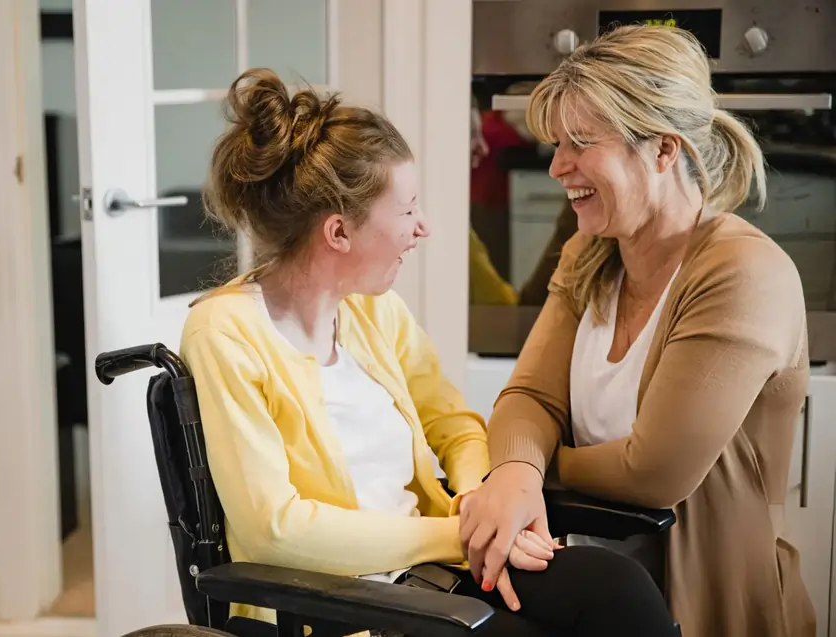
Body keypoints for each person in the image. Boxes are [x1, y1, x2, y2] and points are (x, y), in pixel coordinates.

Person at [179, 67, 679, 637]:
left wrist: (478, 500)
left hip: (430, 576)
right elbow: (276, 529)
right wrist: (460, 533)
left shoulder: (371, 310)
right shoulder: (226, 333)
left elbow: (456, 426)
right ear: (339, 233)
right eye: (407, 208)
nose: (423, 228)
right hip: (331, 607)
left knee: (616, 586)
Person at [458, 25, 815, 637]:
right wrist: (515, 475)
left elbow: (653, 472)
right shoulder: (591, 253)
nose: (557, 167)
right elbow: (528, 398)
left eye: (581, 143)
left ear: (663, 150)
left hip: (703, 605)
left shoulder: (742, 273)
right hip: (589, 596)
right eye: (556, 143)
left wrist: (529, 471)